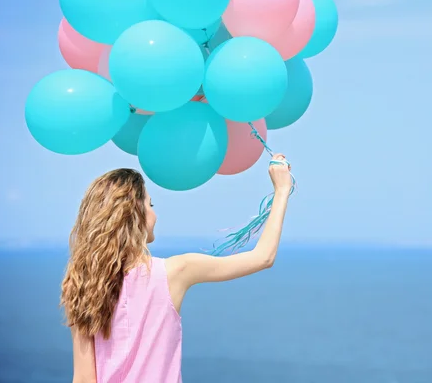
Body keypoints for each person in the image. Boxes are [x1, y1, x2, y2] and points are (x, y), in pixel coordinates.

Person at [60, 154, 293, 383]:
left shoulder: (81, 284)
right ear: (136, 214)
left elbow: (83, 378)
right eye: (150, 204)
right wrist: (282, 191)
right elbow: (263, 257)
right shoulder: (175, 271)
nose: (155, 213)